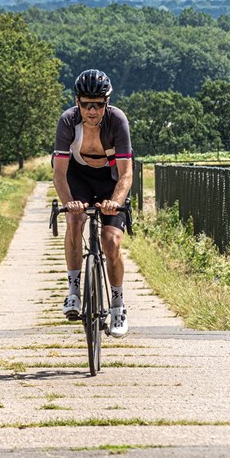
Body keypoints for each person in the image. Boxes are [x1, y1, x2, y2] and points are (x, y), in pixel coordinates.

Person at [52, 69, 133, 337]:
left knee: (111, 241)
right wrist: (69, 203)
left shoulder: (117, 121)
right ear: (77, 101)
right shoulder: (67, 122)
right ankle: (73, 291)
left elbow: (126, 173)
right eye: (86, 103)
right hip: (79, 178)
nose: (91, 110)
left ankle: (118, 305)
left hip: (110, 180)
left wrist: (116, 202)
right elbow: (60, 173)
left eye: (97, 104)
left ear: (106, 103)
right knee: (75, 220)